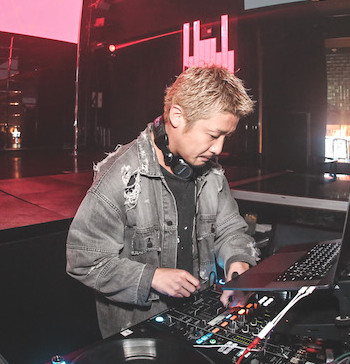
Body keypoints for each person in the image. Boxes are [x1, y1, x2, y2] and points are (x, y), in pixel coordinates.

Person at [66, 65, 260, 338]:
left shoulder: (211, 174)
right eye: (213, 135)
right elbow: (84, 260)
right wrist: (152, 278)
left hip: (197, 322)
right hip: (138, 334)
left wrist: (238, 262)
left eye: (225, 137)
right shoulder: (121, 175)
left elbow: (230, 230)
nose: (219, 148)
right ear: (177, 116)